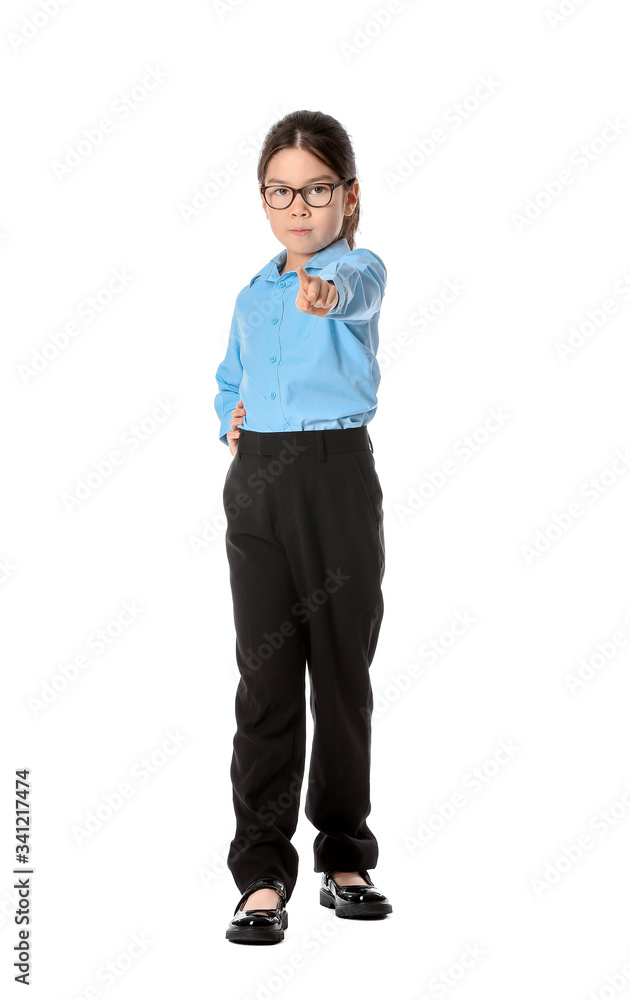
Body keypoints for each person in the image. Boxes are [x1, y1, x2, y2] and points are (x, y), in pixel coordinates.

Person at [214, 110, 393, 945]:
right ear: (263, 199)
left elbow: (354, 292)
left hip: (334, 477)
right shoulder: (252, 295)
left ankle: (345, 856)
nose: (298, 207)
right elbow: (229, 378)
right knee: (267, 680)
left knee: (342, 675)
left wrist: (326, 293)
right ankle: (260, 874)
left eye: (316, 190)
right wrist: (230, 415)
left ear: (347, 196)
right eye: (281, 192)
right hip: (257, 487)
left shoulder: (357, 269)